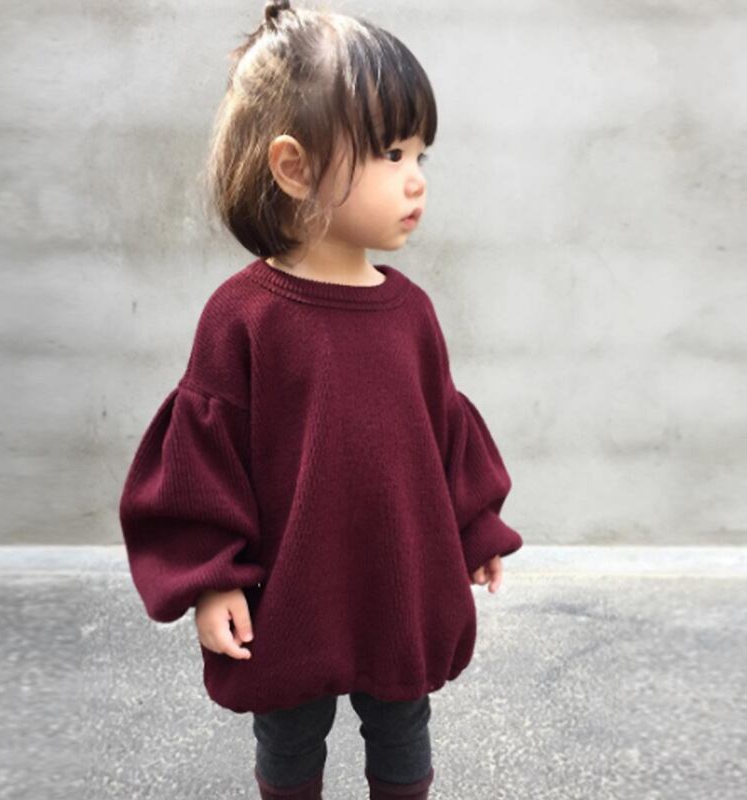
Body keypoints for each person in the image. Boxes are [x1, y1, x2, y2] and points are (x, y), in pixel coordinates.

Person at [118, 1, 525, 798]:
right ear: (295, 167)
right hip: (293, 596)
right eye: (390, 153)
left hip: (397, 585)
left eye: (421, 153)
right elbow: (203, 462)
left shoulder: (410, 312)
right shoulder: (244, 318)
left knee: (402, 730)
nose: (416, 178)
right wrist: (213, 578)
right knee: (291, 738)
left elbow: (441, 432)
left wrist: (474, 526)